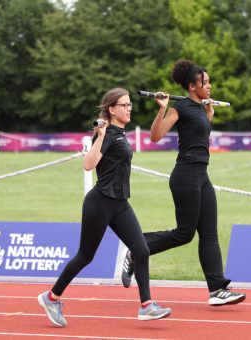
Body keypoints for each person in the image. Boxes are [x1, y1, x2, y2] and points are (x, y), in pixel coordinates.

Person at [38, 88, 171, 327]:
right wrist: (99, 136)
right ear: (112, 109)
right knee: (85, 256)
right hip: (100, 203)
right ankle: (51, 297)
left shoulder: (119, 132)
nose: (130, 108)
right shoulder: (107, 133)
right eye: (125, 105)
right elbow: (88, 165)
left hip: (120, 204)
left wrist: (162, 109)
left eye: (130, 104)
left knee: (141, 251)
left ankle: (146, 305)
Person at [120, 60, 246, 306]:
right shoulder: (181, 108)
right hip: (185, 175)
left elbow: (198, 134)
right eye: (205, 82)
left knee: (209, 233)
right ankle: (137, 248)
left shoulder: (201, 108)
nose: (209, 86)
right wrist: (162, 108)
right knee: (184, 234)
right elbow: (155, 137)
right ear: (191, 86)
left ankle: (217, 289)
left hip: (202, 176)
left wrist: (209, 116)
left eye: (209, 82)